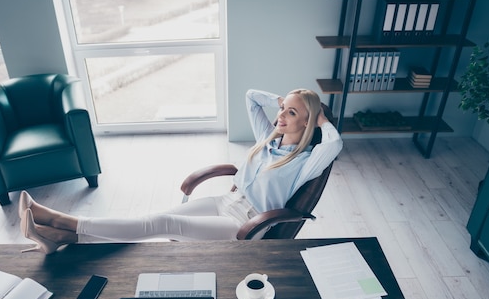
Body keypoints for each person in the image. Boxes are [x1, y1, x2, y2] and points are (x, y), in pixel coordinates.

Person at [19, 88, 343, 254]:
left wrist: (323, 120)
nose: (281, 115)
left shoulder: (306, 161)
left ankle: (62, 222)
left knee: (160, 223)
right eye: (282, 108)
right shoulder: (267, 141)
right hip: (224, 203)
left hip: (247, 222)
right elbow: (250, 98)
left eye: (292, 112)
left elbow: (335, 145)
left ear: (308, 121)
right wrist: (282, 98)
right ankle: (62, 239)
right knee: (153, 222)